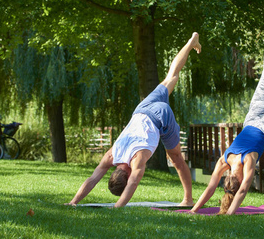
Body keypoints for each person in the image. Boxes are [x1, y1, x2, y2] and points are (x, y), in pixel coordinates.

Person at [66, 32, 201, 207]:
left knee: (176, 158)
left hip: (161, 115)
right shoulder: (111, 156)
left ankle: (188, 199)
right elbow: (93, 178)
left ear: (127, 175)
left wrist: (117, 207)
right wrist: (73, 202)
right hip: (142, 110)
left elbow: (133, 183)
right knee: (171, 76)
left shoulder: (137, 159)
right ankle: (191, 42)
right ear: (115, 171)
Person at [190, 16, 264, 215]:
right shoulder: (226, 160)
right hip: (259, 118)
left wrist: (220, 213)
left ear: (235, 180)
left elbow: (230, 190)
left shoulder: (240, 161)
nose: (242, 183)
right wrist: (194, 210)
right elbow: (213, 187)